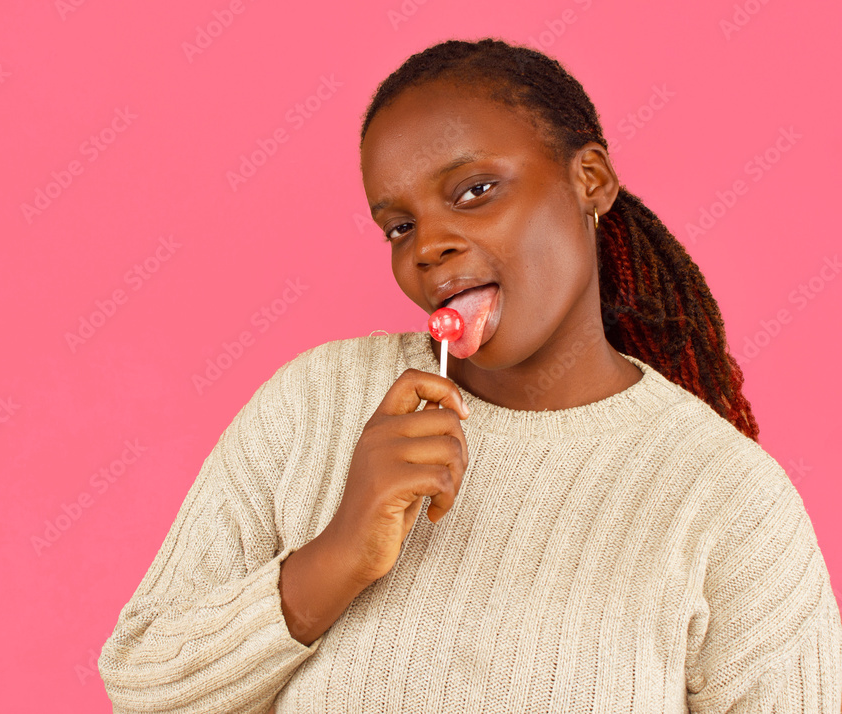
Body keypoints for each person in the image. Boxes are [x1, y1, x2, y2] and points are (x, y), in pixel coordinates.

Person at [98, 38, 841, 712]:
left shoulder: (730, 500)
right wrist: (336, 558)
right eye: (400, 226)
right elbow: (141, 685)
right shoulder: (313, 405)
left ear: (589, 179)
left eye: (474, 191)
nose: (428, 247)